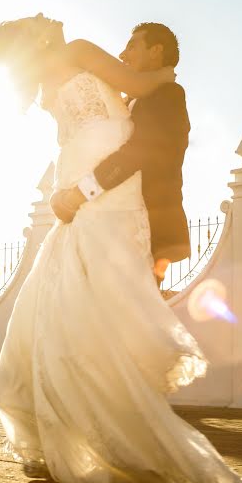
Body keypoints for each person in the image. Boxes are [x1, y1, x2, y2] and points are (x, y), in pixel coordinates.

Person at [0, 13, 242, 483]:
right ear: (40, 36)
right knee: (97, 309)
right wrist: (157, 77)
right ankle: (105, 424)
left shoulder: (49, 84)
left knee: (79, 308)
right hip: (102, 193)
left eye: (134, 43)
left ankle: (73, 425)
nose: (48, 15)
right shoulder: (87, 53)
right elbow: (145, 84)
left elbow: (124, 123)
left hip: (91, 186)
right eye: (39, 18)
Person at [50, 22, 191, 286]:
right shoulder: (126, 104)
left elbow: (138, 153)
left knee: (133, 316)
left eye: (132, 45)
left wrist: (81, 193)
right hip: (113, 224)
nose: (123, 54)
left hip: (148, 229)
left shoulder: (170, 94)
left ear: (156, 51)